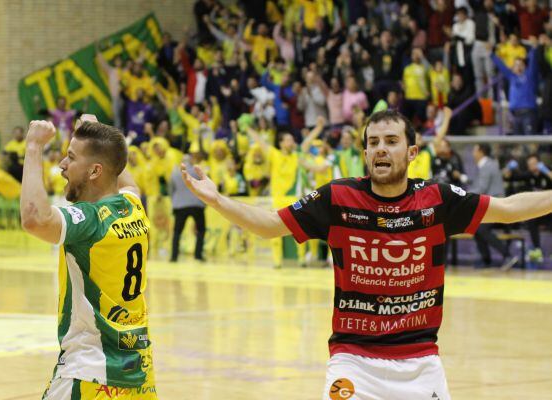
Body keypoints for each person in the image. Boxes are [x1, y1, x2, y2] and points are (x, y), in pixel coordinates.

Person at [180, 109, 552, 399]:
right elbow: (268, 225)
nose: (380, 149)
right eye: (373, 143)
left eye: (391, 141)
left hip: (421, 361)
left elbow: (508, 208)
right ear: (365, 153)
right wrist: (218, 201)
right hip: (353, 360)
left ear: (411, 152)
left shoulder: (437, 200)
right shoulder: (338, 198)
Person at [19, 116, 157, 399]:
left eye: (70, 157)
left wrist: (33, 147)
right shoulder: (134, 207)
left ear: (95, 171)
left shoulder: (90, 221)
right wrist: (101, 131)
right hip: (139, 372)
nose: (62, 165)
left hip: (90, 374)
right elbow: (125, 180)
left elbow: (34, 218)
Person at [471, 144, 517, 269]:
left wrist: (463, 195)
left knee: (480, 228)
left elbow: (482, 188)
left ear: (481, 152)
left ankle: (507, 255)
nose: (472, 153)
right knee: (476, 228)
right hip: (492, 203)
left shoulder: (487, 165)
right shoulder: (488, 164)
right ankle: (486, 260)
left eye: (474, 150)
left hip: (496, 204)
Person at [170, 153, 206, 263]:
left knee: (177, 232)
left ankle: (174, 256)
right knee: (201, 230)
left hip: (180, 205)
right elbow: (203, 186)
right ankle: (198, 255)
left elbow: (171, 189)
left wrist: (175, 200)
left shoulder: (175, 172)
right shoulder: (196, 171)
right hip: (196, 204)